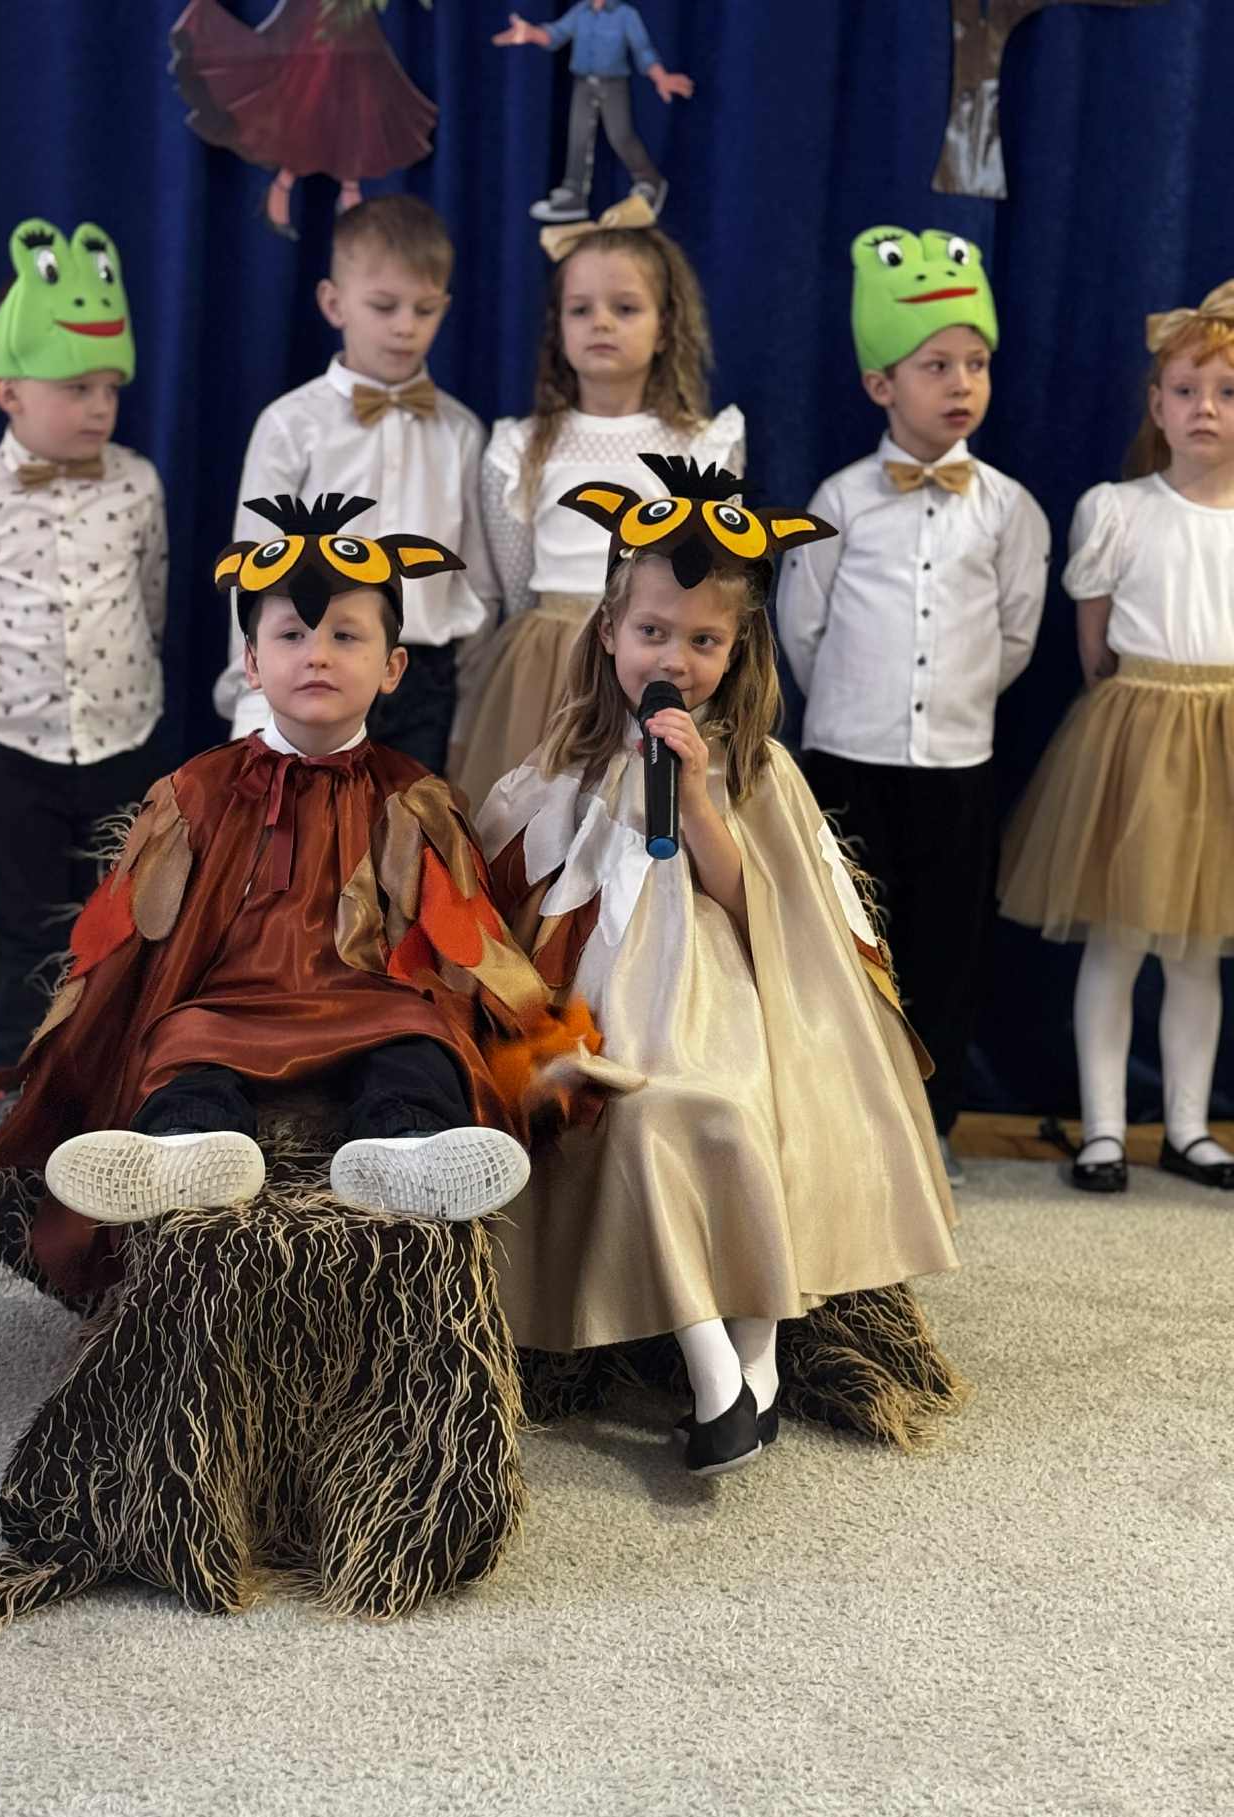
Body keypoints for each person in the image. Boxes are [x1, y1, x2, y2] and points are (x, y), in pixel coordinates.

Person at [0, 492, 607, 1300]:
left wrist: (531, 1024)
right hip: (229, 1004)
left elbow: (465, 932)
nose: (317, 656)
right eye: (292, 636)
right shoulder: (196, 791)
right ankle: (190, 1146)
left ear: (393, 667)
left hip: (368, 1002)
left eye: (346, 637)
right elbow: (132, 936)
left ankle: (407, 1148)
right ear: (252, 663)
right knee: (180, 1046)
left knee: (419, 1044)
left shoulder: (414, 797)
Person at [478, 454, 957, 1476]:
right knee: (640, 1117)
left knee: (730, 1111)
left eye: (704, 641)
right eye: (654, 633)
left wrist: (695, 797)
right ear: (609, 632)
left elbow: (760, 905)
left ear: (738, 651)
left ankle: (758, 1364)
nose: (677, 658)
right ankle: (718, 1373)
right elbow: (514, 886)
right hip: (606, 1003)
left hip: (723, 992)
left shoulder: (753, 764)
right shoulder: (567, 760)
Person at [776, 225, 1049, 1188]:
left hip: (956, 767)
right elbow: (802, 628)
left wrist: (950, 706)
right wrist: (862, 707)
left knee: (944, 951)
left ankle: (932, 1126)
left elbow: (1015, 637)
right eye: (936, 365)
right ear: (881, 384)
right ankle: (844, 1122)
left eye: (976, 363)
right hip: (848, 761)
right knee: (848, 945)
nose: (961, 383)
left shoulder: (1009, 508)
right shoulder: (841, 499)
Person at [999, 279, 1234, 1194]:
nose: (1205, 408)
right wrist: (1140, 707)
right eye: (1186, 390)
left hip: (1224, 743)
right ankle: (1103, 1129)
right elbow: (1094, 646)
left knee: (1198, 950)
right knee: (1119, 941)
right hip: (1136, 738)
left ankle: (1189, 1128)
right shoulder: (1120, 509)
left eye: (1227, 391)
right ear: (1157, 404)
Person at [0, 218, 167, 1112]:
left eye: (109, 388)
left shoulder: (137, 482)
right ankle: (21, 1074)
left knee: (124, 913)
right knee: (22, 915)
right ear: (10, 391)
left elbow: (152, 594)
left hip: (123, 727)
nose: (100, 406)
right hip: (10, 735)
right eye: (76, 387)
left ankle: (113, 1070)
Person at [450, 197, 743, 809]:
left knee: (641, 814)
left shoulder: (703, 445)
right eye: (581, 309)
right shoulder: (522, 446)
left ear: (665, 327)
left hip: (659, 660)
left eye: (625, 308)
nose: (601, 323)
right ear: (558, 326)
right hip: (547, 670)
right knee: (539, 823)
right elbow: (515, 584)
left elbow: (716, 576)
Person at [214, 196, 490, 775]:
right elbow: (252, 568)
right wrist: (253, 700)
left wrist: (469, 711)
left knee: (405, 824)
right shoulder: (290, 424)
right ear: (333, 303)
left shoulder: (461, 430)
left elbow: (477, 581)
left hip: (422, 678)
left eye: (424, 309)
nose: (405, 326)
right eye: (384, 306)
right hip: (312, 662)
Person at [170, 0, 436, 240]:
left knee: (354, 89)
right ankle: (293, 185)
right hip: (316, 17)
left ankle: (341, 188)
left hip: (349, 20)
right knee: (306, 87)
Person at [492, 3, 694, 224]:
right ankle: (574, 192)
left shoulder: (626, 15)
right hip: (583, 83)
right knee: (578, 136)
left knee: (620, 136)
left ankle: (649, 180)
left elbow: (643, 51)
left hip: (613, 84)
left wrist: (661, 77)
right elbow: (556, 34)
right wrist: (531, 33)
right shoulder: (581, 12)